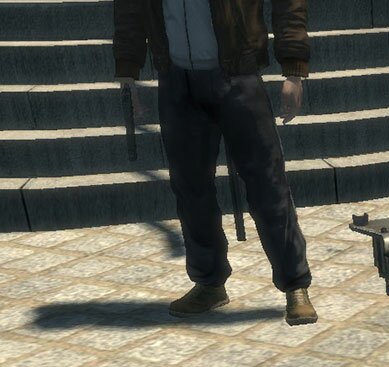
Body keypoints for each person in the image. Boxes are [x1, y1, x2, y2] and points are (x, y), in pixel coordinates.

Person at [113, 0, 317, 324]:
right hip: (177, 81)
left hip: (238, 74)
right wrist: (127, 70)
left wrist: (293, 68)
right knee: (190, 187)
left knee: (267, 183)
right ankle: (208, 283)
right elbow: (130, 10)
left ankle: (295, 283)